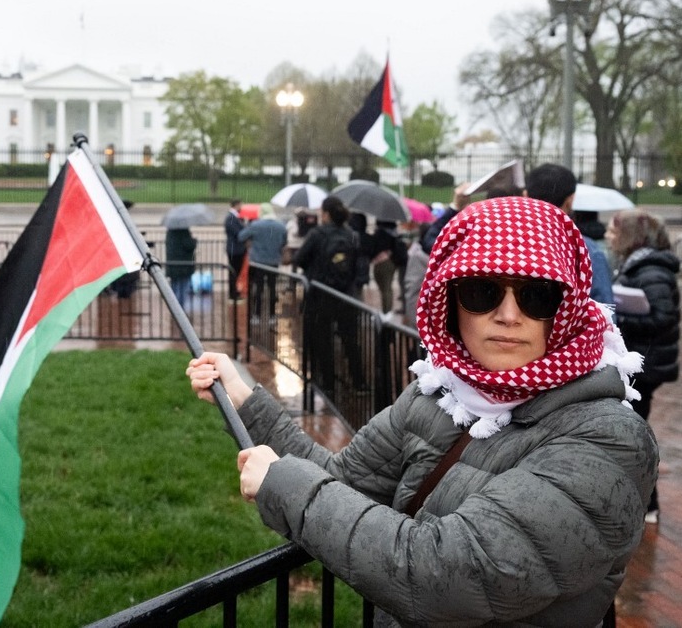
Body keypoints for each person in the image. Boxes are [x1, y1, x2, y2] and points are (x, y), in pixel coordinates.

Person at [187, 197, 656, 626]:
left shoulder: (609, 438)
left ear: (566, 308)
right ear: (451, 303)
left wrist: (284, 484)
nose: (509, 315)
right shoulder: (440, 393)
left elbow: (446, 575)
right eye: (482, 291)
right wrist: (247, 400)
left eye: (537, 296)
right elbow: (343, 479)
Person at [606, 209, 680, 524]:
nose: (609, 236)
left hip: (647, 364)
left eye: (614, 231)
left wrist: (621, 316)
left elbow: (664, 317)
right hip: (642, 359)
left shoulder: (652, 270)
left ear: (632, 236)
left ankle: (647, 503)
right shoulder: (638, 264)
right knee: (635, 431)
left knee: (636, 434)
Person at [293, 196, 363, 394]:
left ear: (325, 214)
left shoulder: (318, 234)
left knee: (322, 340)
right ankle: (359, 382)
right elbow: (358, 263)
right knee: (350, 340)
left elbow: (300, 258)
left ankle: (328, 385)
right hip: (346, 295)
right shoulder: (351, 235)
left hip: (320, 295)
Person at [524, 163, 614, 305]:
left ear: (525, 196)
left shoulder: (503, 243)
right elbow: (605, 312)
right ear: (570, 201)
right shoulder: (586, 251)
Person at [238, 203, 287, 319]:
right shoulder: (280, 226)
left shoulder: (256, 225)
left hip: (258, 261)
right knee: (272, 288)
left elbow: (241, 236)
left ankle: (257, 314)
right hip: (274, 261)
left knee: (258, 288)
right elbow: (284, 242)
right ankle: (272, 314)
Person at [370, 219, 407, 316]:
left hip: (382, 262)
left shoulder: (381, 233)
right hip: (391, 262)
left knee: (385, 288)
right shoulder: (394, 234)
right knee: (387, 287)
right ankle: (387, 311)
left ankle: (386, 311)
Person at [165, 227, 197, 311]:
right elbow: (188, 245)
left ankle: (174, 309)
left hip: (173, 265)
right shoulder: (183, 231)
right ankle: (179, 311)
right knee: (182, 289)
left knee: (175, 288)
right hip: (184, 266)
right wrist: (194, 241)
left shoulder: (170, 231)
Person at [224, 199, 247, 301]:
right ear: (236, 205)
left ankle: (234, 291)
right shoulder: (231, 218)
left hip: (237, 249)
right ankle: (233, 293)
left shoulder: (234, 217)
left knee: (235, 272)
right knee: (233, 272)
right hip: (235, 249)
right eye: (240, 205)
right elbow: (238, 233)